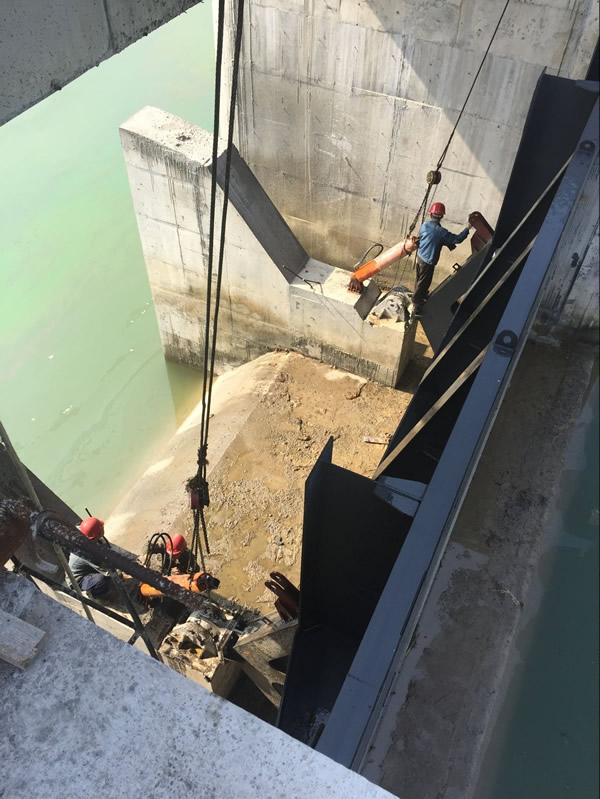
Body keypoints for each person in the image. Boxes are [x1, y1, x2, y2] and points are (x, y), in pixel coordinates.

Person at [411, 202, 472, 315]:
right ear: (442, 216)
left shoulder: (425, 225)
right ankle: (416, 304)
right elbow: (457, 239)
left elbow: (425, 237)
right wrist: (467, 228)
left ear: (431, 214)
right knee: (424, 283)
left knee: (419, 281)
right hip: (428, 261)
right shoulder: (441, 232)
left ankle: (420, 297)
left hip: (419, 257)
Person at [68, 517, 114, 599]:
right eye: (102, 527)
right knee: (101, 580)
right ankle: (94, 595)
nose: (103, 527)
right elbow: (107, 571)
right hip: (78, 580)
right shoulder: (88, 553)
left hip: (85, 568)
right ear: (98, 534)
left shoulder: (85, 534)